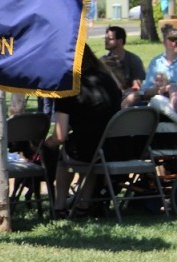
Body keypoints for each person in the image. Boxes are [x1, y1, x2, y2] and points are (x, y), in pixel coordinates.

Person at [44, 46, 123, 218]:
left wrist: (46, 143)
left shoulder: (68, 86)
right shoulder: (107, 79)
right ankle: (84, 204)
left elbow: (60, 135)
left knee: (63, 159)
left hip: (90, 149)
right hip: (115, 147)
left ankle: (59, 206)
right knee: (88, 148)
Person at [102, 26, 145, 107]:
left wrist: (129, 91)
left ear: (120, 41)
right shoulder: (103, 61)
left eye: (110, 39)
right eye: (105, 38)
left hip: (128, 97)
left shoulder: (133, 60)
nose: (106, 41)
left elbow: (137, 85)